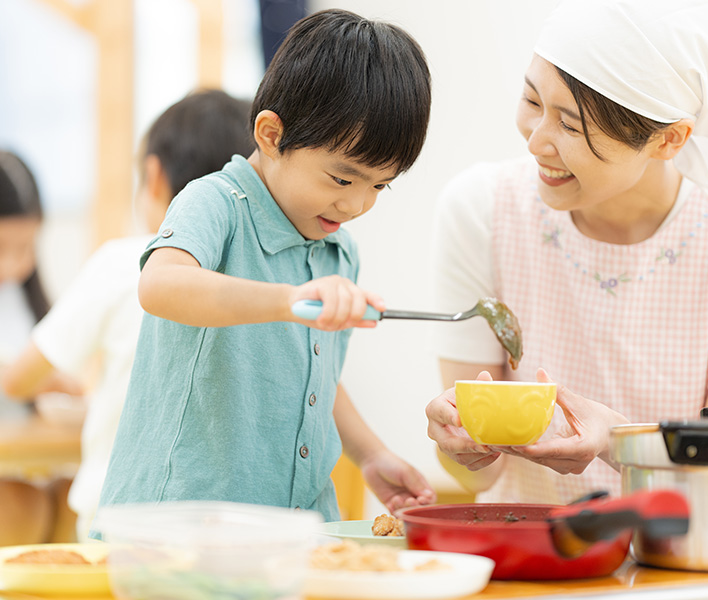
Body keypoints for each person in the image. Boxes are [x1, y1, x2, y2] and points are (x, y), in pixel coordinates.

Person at [426, 0, 708, 506]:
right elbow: (477, 479)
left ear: (669, 139)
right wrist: (458, 444)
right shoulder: (482, 210)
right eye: (532, 101)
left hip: (682, 572)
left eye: (572, 126)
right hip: (534, 571)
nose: (536, 143)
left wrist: (618, 440)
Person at [92, 8, 435, 534]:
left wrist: (369, 454)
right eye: (343, 179)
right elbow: (160, 285)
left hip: (288, 535)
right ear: (272, 134)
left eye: (379, 185)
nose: (357, 205)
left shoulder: (336, 251)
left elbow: (314, 374)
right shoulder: (215, 203)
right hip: (177, 531)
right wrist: (286, 300)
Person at [1, 89, 254, 541]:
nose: (17, 264)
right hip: (233, 519)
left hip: (118, 513)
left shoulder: (124, 262)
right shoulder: (260, 281)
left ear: (153, 177)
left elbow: (19, 378)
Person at [0, 150, 83, 545]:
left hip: (30, 459)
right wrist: (27, 379)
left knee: (76, 499)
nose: (16, 265)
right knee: (22, 506)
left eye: (27, 247)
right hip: (13, 472)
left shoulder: (21, 297)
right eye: (3, 248)